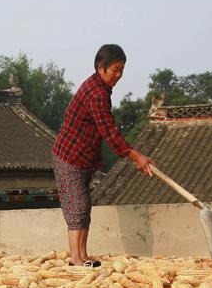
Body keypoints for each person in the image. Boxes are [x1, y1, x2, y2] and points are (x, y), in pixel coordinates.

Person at [52, 44, 156, 267]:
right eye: (115, 70)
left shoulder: (98, 87)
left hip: (84, 158)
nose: (118, 75)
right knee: (76, 206)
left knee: (84, 207)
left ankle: (83, 255)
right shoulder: (97, 94)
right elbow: (109, 131)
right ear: (100, 68)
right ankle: (75, 259)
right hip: (68, 157)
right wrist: (135, 155)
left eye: (121, 70)